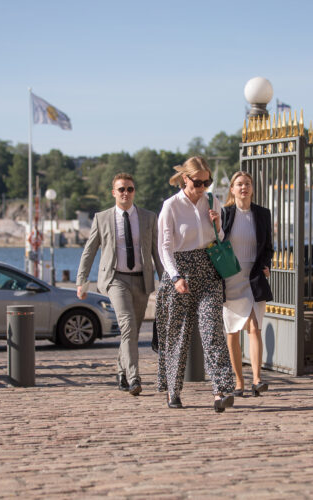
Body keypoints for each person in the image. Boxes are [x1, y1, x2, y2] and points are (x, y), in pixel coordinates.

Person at [156, 156, 235, 412]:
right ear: (185, 179)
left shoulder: (212, 201)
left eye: (207, 182)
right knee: (178, 334)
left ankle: (221, 389)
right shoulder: (170, 206)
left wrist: (218, 224)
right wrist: (175, 276)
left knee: (212, 329)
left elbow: (219, 238)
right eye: (198, 182)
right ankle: (173, 390)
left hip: (208, 268)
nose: (202, 187)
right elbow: (164, 248)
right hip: (180, 271)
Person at [76, 173, 164, 396]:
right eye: (122, 189)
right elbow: (89, 251)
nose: (126, 193)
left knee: (131, 332)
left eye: (130, 189)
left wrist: (166, 280)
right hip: (116, 280)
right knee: (127, 326)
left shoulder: (148, 217)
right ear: (113, 192)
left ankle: (120, 371)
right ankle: (134, 378)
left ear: (135, 191)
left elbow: (156, 251)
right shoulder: (102, 218)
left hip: (141, 280)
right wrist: (81, 281)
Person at [221, 171, 274, 397]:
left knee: (254, 327)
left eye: (247, 184)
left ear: (252, 188)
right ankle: (239, 382)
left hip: (253, 277)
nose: (244, 187)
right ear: (232, 189)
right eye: (239, 184)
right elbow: (216, 242)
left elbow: (268, 245)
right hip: (231, 276)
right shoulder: (225, 214)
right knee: (232, 331)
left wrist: (266, 264)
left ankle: (257, 379)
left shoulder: (262, 214)